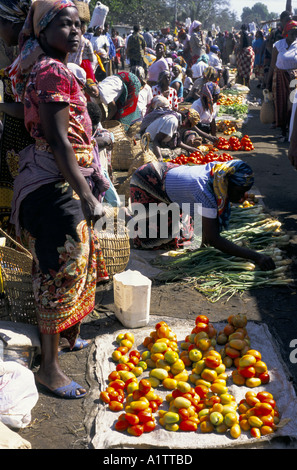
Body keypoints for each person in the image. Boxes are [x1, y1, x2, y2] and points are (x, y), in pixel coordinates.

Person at [11, 0, 109, 399]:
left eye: (78, 26)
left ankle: (67, 339)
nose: (75, 32)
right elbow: (57, 140)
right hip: (54, 186)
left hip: (65, 182)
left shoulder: (62, 69)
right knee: (56, 270)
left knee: (74, 262)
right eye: (64, 25)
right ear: (42, 32)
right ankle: (48, 370)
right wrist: (85, 194)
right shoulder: (51, 70)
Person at [129, 157, 276, 273]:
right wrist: (257, 256)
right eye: (239, 191)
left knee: (184, 237)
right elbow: (213, 239)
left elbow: (208, 236)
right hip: (147, 179)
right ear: (227, 185)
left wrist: (205, 241)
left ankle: (162, 212)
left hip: (169, 177)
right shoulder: (206, 191)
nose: (243, 196)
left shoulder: (220, 174)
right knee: (151, 242)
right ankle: (135, 218)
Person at [0, 0, 34, 231]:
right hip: (14, 140)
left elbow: (27, 108)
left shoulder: (28, 58)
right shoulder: (23, 52)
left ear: (12, 24)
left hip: (23, 144)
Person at [140, 96, 198, 162]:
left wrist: (192, 149)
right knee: (172, 154)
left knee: (181, 151)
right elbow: (156, 141)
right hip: (148, 145)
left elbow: (178, 143)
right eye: (189, 125)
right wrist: (159, 157)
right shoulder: (172, 121)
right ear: (186, 120)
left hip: (155, 143)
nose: (188, 128)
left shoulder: (177, 118)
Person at [267, 20, 297, 141]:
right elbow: (272, 64)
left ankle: (291, 131)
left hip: (294, 79)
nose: (294, 36)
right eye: (292, 33)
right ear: (286, 33)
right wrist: (267, 82)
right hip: (279, 78)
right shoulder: (279, 45)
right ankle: (283, 132)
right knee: (281, 104)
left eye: (296, 33)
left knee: (292, 105)